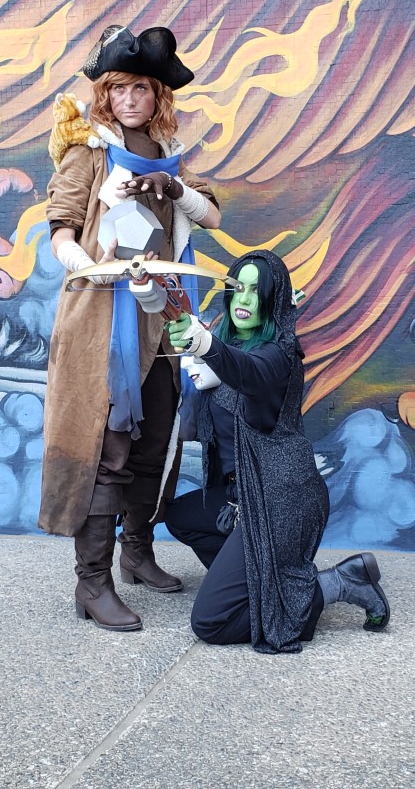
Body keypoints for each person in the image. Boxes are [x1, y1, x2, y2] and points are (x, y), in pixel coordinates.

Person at [38, 24, 221, 632]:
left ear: (157, 94)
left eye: (141, 88)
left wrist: (174, 187)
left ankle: (136, 552)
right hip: (103, 324)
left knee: (155, 443)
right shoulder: (88, 152)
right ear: (106, 95)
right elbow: (61, 229)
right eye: (119, 89)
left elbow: (210, 215)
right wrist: (91, 262)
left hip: (162, 319)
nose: (130, 99)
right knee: (108, 448)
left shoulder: (168, 153)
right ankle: (92, 583)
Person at [165, 251, 390, 654]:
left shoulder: (279, 354)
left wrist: (203, 343)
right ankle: (263, 584)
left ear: (272, 301)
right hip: (240, 496)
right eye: (238, 288)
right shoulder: (229, 344)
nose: (244, 299)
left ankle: (335, 584)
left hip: (280, 500)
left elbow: (249, 372)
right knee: (181, 517)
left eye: (257, 291)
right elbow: (215, 383)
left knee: (210, 622)